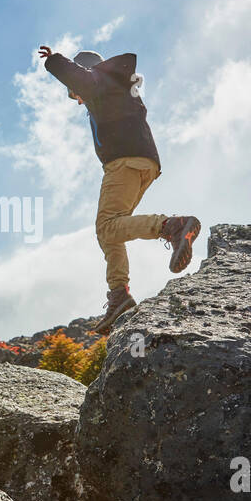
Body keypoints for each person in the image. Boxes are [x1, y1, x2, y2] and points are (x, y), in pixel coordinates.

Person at [38, 44, 200, 334]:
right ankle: (120, 295)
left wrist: (54, 62)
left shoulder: (101, 80)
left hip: (124, 162)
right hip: (144, 164)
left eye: (73, 95)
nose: (76, 101)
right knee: (113, 230)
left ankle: (172, 226)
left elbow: (82, 80)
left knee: (108, 226)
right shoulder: (119, 87)